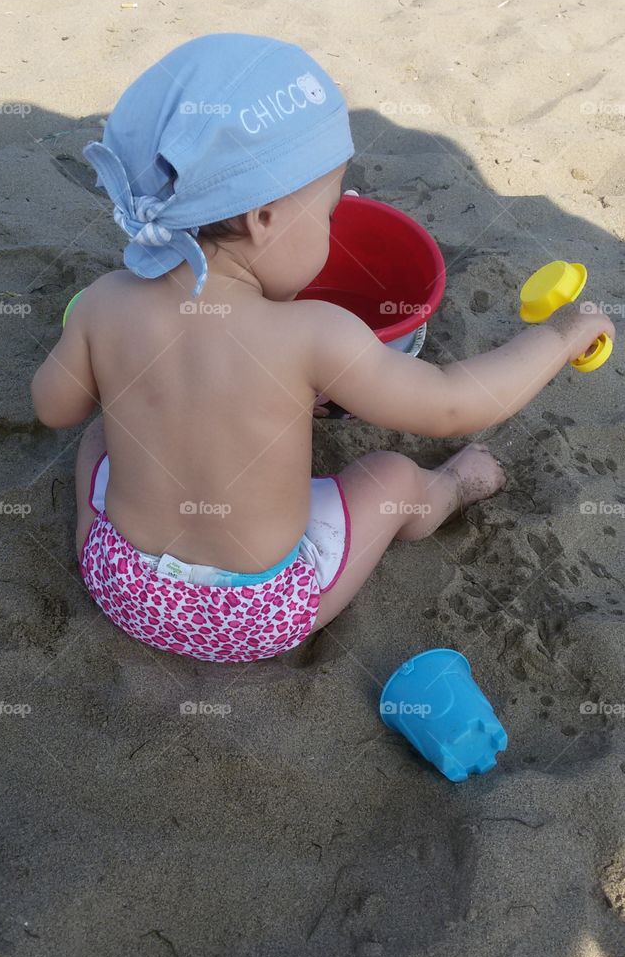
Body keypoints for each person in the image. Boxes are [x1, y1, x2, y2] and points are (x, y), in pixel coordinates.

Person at [31, 33, 615, 664]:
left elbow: (55, 410)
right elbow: (453, 405)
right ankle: (449, 491)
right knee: (388, 478)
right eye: (330, 211)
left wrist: (102, 358)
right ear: (263, 218)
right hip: (255, 613)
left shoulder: (104, 300)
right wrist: (564, 333)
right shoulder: (313, 332)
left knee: (99, 437)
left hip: (124, 582)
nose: (335, 227)